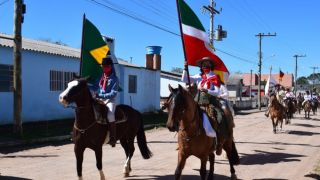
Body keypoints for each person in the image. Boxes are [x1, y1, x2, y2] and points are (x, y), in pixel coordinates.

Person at [181, 57, 227, 156]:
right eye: (203, 64)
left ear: (211, 66)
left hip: (210, 102)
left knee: (220, 118)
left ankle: (219, 143)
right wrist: (185, 68)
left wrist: (207, 91)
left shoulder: (215, 76)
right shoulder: (199, 76)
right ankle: (182, 141)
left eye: (207, 64)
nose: (205, 66)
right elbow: (184, 79)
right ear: (201, 66)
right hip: (197, 102)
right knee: (184, 116)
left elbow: (217, 92)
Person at [95, 56, 119, 147]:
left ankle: (113, 138)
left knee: (110, 115)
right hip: (100, 99)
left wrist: (101, 95)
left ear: (111, 67)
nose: (105, 68)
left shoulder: (115, 79)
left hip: (110, 100)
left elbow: (113, 93)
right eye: (103, 67)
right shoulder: (101, 77)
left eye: (107, 66)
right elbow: (99, 89)